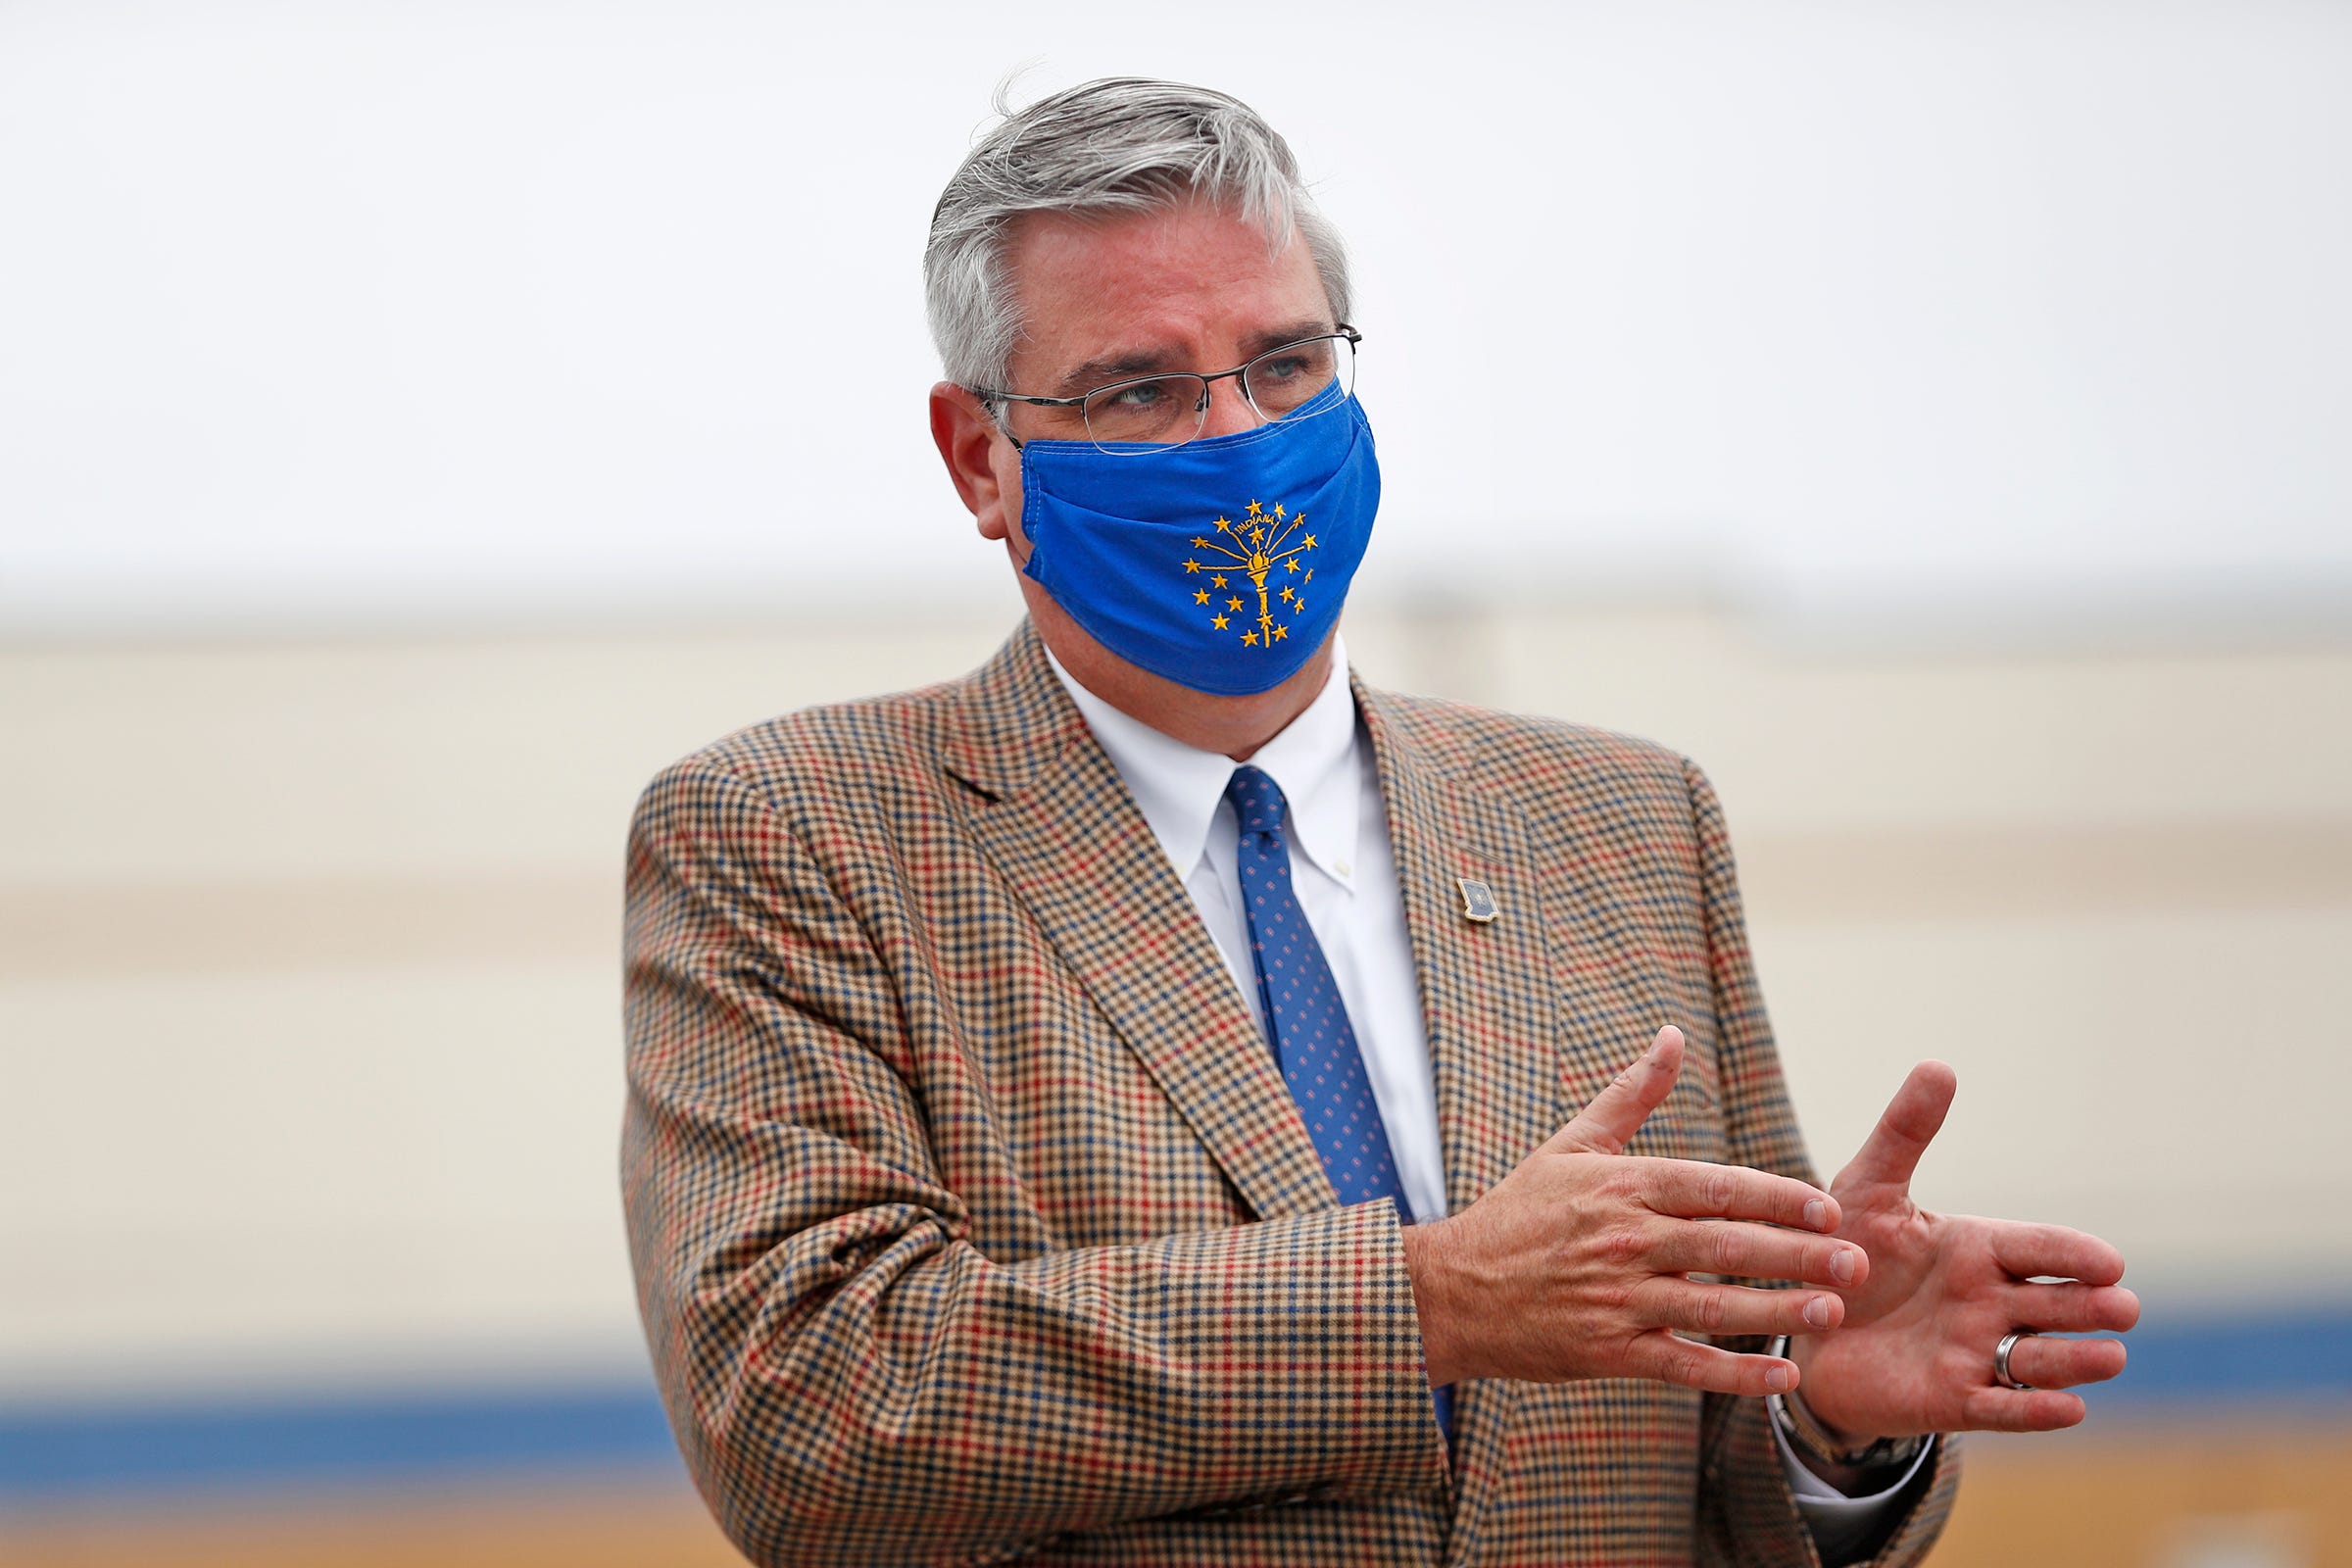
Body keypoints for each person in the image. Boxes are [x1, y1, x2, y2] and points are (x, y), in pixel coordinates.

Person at [620, 77, 2138, 1567]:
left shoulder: (1627, 824)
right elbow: (806, 1409)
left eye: (1285, 365)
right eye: (1142, 389)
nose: (1237, 441)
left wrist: (1825, 1422)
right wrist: (1429, 1302)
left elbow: (1704, 1458)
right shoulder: (791, 838)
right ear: (981, 458)